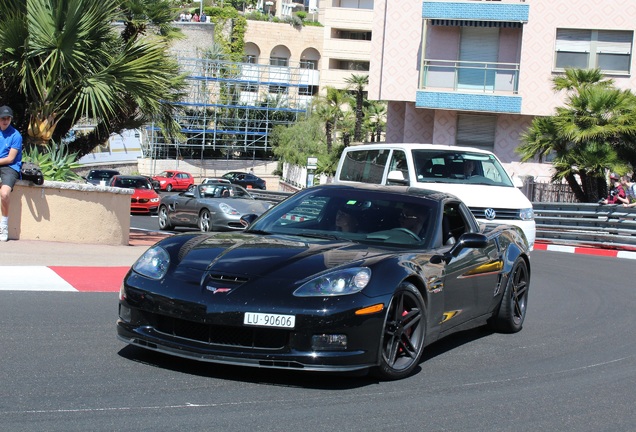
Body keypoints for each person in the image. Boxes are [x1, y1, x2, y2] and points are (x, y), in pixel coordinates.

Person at [0, 105, 23, 242]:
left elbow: (10, 158)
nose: (5, 120)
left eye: (8, 118)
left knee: (4, 193)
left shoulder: (16, 135)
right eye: (3, 118)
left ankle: (3, 226)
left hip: (10, 167)